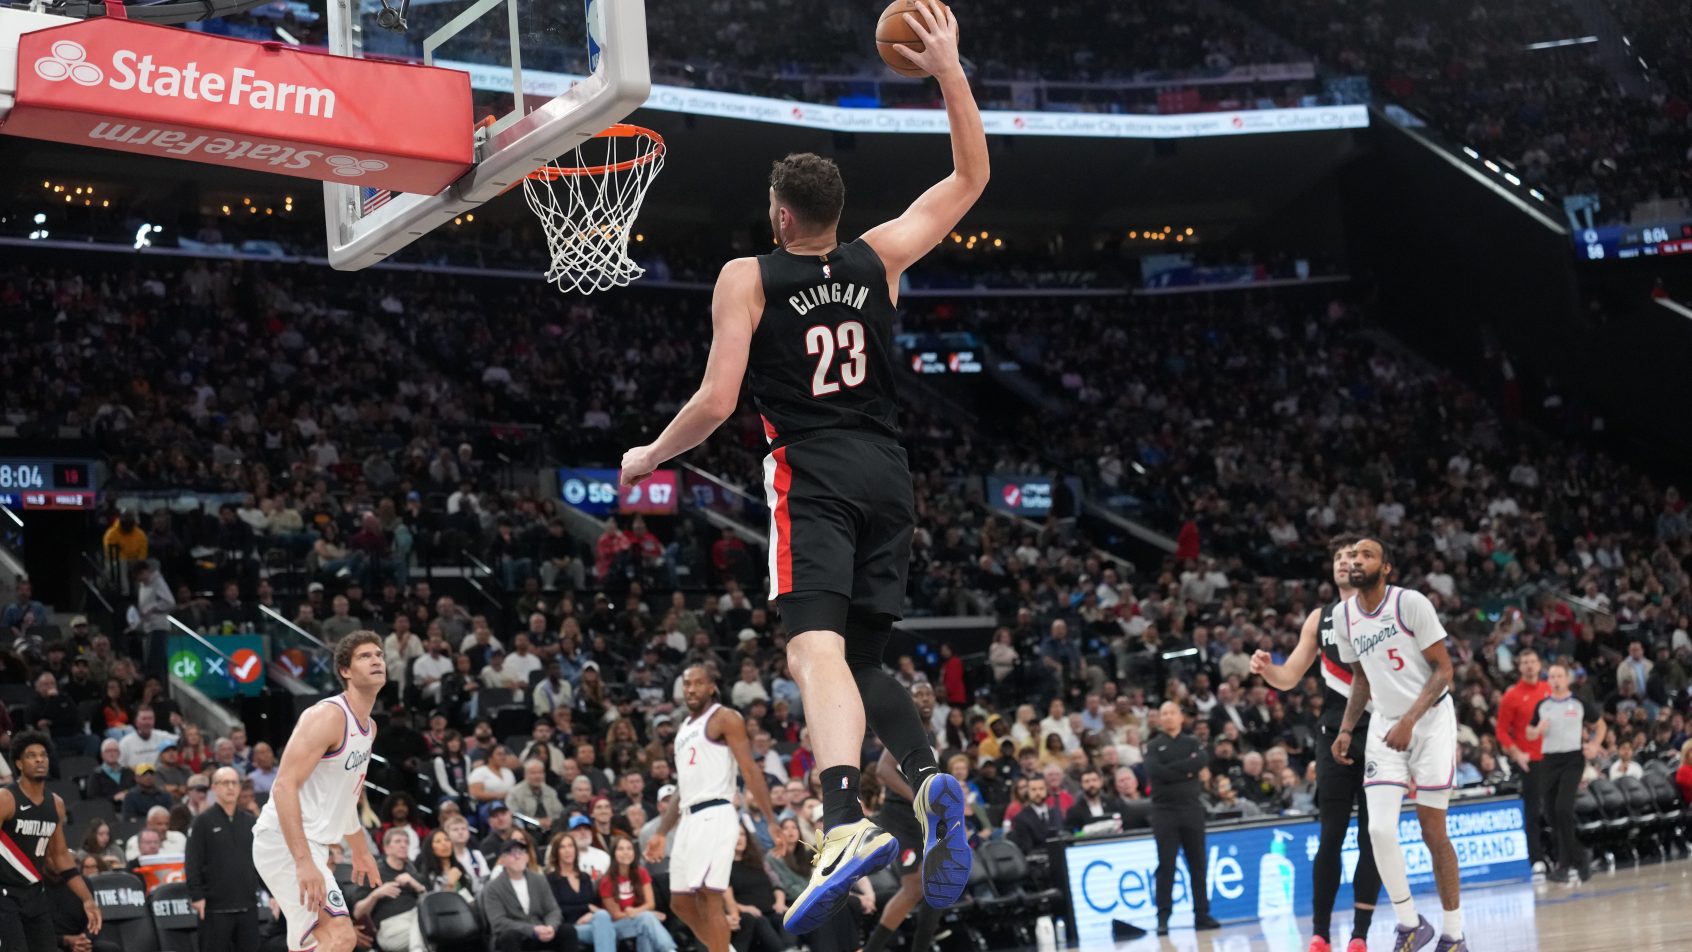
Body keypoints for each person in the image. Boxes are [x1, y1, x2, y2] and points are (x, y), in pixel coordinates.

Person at [616, 0, 984, 932]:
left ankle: (839, 816)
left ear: (780, 215)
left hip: (811, 469)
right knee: (859, 660)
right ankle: (930, 780)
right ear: (836, 214)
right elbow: (970, 178)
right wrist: (947, 70)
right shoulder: (880, 257)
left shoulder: (747, 275)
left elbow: (716, 402)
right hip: (889, 472)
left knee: (811, 648)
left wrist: (651, 453)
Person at [1331, 538, 1465, 952]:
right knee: (1378, 830)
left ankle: (1454, 934)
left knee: (1432, 830)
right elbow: (1361, 678)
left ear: (1386, 567)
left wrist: (1411, 719)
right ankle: (1410, 924)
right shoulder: (1343, 615)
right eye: (1351, 556)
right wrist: (1346, 728)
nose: (1355, 561)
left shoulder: (1410, 604)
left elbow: (1445, 670)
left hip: (1430, 722)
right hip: (1386, 725)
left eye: (1366, 555)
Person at [1251, 538, 1382, 952]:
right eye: (1339, 558)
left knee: (1372, 836)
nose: (1345, 562)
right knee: (1331, 835)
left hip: (1379, 734)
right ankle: (1320, 933)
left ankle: (1360, 935)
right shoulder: (1319, 618)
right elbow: (1289, 676)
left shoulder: (1385, 611)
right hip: (1331, 737)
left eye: (1353, 557)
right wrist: (1266, 670)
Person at [251, 632, 386, 952]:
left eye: (379, 655)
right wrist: (303, 861)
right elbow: (284, 785)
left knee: (315, 943)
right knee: (340, 936)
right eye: (365, 656)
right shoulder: (327, 716)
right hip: (283, 841)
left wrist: (360, 849)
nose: (376, 660)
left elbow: (347, 795)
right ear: (345, 671)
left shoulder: (369, 727)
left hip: (313, 844)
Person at [644, 666, 782, 952]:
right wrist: (660, 832)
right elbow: (682, 789)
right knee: (680, 903)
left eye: (698, 683)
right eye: (686, 684)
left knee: (710, 897)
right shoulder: (683, 729)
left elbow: (749, 770)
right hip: (688, 819)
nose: (691, 689)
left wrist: (771, 819)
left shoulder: (725, 718)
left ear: (711, 687)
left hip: (715, 813)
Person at [0, 731, 104, 952]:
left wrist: (87, 899)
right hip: (5, 895)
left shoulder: (55, 803)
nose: (39, 759)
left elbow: (60, 856)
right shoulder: (6, 799)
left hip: (35, 894)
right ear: (18, 763)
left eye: (43, 755)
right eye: (31, 755)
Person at [864, 682, 944, 952]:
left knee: (933, 886)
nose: (924, 699)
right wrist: (918, 798)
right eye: (918, 694)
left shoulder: (931, 732)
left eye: (928, 693)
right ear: (908, 700)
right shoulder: (911, 728)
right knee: (915, 888)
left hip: (922, 818)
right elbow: (884, 771)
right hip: (900, 817)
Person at [1525, 662, 1606, 884]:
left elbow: (1600, 725)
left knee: (1562, 808)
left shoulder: (1579, 703)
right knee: (1551, 814)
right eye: (1551, 676)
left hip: (1572, 759)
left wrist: (1594, 744)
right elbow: (1529, 733)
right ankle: (1581, 858)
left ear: (1567, 679)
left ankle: (1564, 865)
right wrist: (1537, 730)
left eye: (1560, 676)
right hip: (1549, 761)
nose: (1556, 680)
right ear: (1548, 680)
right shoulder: (1542, 706)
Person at [1143, 703, 1218, 937]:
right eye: (1163, 713)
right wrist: (1186, 771)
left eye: (1171, 712)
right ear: (1159, 719)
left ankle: (1201, 915)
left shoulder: (1192, 742)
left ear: (1180, 717)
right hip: (1164, 812)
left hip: (1192, 810)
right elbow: (1156, 772)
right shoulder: (1154, 745)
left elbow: (1201, 760)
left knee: (1198, 865)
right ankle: (1163, 918)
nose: (1167, 717)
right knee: (1166, 866)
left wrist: (1180, 770)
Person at [186, 766, 259, 952]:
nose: (230, 787)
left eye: (234, 782)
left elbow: (260, 861)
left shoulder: (250, 822)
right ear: (214, 788)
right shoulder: (202, 821)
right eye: (225, 783)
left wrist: (273, 893)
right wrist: (197, 895)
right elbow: (192, 861)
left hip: (248, 905)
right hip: (214, 908)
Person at [1495, 647, 1551, 878]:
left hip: (1553, 758)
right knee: (1533, 812)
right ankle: (1536, 859)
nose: (1529, 665)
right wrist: (1516, 753)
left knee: (1558, 809)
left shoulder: (1549, 689)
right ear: (1519, 667)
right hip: (1530, 761)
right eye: (1525, 662)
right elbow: (1501, 731)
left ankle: (1559, 855)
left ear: (1539, 664)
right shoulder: (1512, 695)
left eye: (1532, 661)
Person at [483, 838, 576, 952]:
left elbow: (553, 910)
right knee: (510, 936)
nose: (517, 857)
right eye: (512, 854)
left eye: (521, 852)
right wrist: (532, 930)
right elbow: (498, 922)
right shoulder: (493, 888)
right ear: (503, 860)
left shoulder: (539, 879)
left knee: (568, 930)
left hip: (541, 932)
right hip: (515, 935)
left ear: (527, 857)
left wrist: (551, 927)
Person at [351, 828, 428, 952]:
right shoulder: (373, 874)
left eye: (406, 842)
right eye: (398, 841)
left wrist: (416, 886)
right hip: (390, 929)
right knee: (422, 919)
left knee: (424, 917)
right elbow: (357, 913)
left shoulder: (414, 875)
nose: (403, 845)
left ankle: (417, 948)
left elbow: (430, 905)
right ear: (386, 848)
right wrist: (376, 894)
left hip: (414, 927)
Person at [599, 836, 675, 952]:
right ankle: (669, 949)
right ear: (613, 853)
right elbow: (616, 915)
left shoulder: (641, 872)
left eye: (629, 849)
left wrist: (636, 912)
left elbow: (651, 904)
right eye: (621, 849)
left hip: (640, 922)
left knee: (645, 927)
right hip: (617, 927)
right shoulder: (607, 881)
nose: (626, 852)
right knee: (647, 919)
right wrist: (644, 914)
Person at [546, 833, 617, 952]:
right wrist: (587, 908)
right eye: (562, 847)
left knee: (602, 918)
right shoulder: (551, 879)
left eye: (570, 846)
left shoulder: (585, 877)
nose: (567, 850)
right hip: (569, 929)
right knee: (609, 931)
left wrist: (590, 915)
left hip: (591, 924)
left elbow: (595, 905)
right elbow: (555, 910)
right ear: (556, 852)